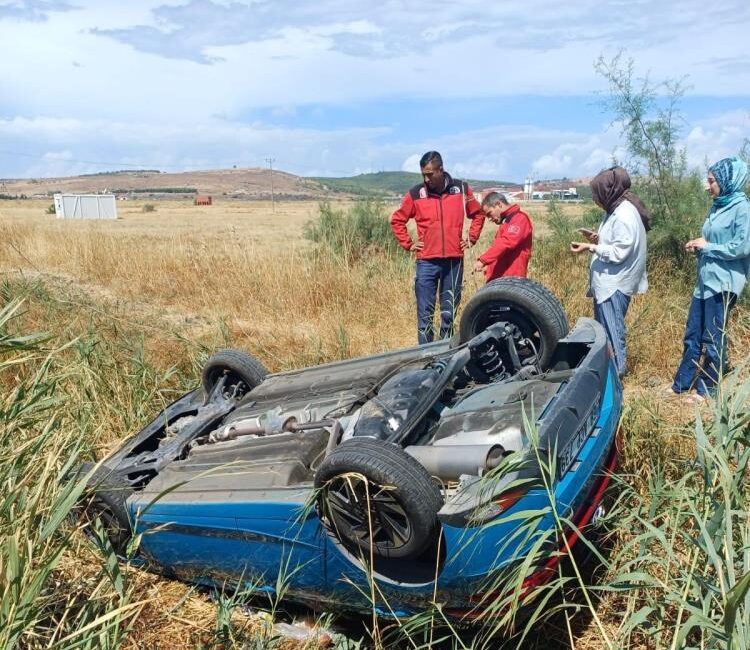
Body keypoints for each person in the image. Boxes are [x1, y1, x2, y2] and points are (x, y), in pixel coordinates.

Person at [668, 156, 750, 401]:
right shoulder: (718, 204)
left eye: (712, 181)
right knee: (692, 334)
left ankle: (708, 389)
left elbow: (742, 247)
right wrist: (699, 247)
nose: (707, 186)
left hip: (724, 283)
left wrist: (708, 247)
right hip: (704, 281)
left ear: (727, 181)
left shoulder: (742, 208)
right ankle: (682, 384)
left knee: (713, 337)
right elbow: (713, 241)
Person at [391, 151, 485, 344]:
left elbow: (479, 214)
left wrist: (471, 238)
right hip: (426, 262)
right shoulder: (416, 193)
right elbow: (397, 220)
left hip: (453, 262)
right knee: (425, 316)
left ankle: (445, 354)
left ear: (441, 170)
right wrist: (409, 244)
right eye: (423, 174)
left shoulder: (461, 190)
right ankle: (426, 355)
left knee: (449, 313)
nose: (426, 179)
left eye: (430, 174)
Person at [570, 166, 650, 378]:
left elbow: (620, 252)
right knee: (607, 331)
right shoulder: (617, 209)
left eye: (597, 194)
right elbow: (618, 242)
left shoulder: (623, 215)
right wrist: (598, 238)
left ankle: (617, 376)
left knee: (613, 333)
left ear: (608, 191)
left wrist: (591, 247)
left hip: (614, 284)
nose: (595, 199)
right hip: (609, 283)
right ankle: (611, 374)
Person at [472, 192, 532, 281]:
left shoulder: (519, 219)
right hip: (502, 279)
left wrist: (483, 260)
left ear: (498, 204)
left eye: (489, 213)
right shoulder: (507, 221)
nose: (489, 219)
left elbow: (507, 243)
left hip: (511, 280)